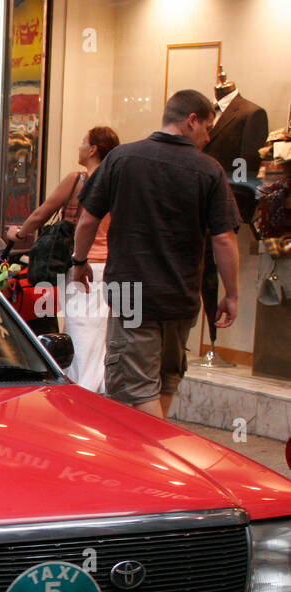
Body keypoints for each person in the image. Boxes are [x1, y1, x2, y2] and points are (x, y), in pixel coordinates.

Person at [72, 90, 241, 419]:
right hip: (181, 296)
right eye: (207, 128)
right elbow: (224, 238)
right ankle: (152, 458)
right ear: (191, 121)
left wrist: (79, 263)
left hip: (132, 295)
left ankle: (158, 460)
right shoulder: (209, 170)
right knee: (164, 382)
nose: (208, 137)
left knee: (135, 388)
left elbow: (87, 219)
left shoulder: (122, 159)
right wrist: (231, 293)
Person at [8, 126, 120, 391]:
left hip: (82, 266)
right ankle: (96, 389)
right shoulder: (118, 183)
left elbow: (42, 214)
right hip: (110, 267)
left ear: (93, 149)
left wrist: (19, 233)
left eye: (83, 141)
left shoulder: (78, 180)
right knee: (100, 335)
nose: (80, 147)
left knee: (79, 332)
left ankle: (82, 391)